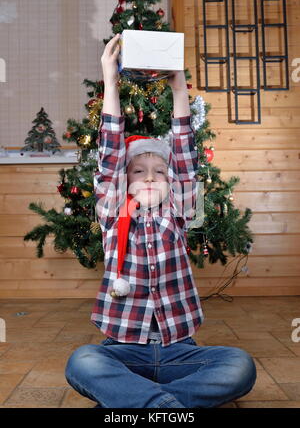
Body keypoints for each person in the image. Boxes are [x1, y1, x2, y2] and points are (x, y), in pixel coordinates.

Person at [65, 33, 256, 408]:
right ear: (124, 179)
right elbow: (109, 155)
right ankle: (168, 408)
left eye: (160, 171)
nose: (151, 176)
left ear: (173, 183)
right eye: (139, 170)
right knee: (82, 362)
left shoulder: (181, 213)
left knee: (240, 365)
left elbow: (185, 154)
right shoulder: (111, 212)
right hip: (122, 351)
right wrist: (110, 78)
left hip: (179, 352)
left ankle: (143, 404)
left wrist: (179, 87)